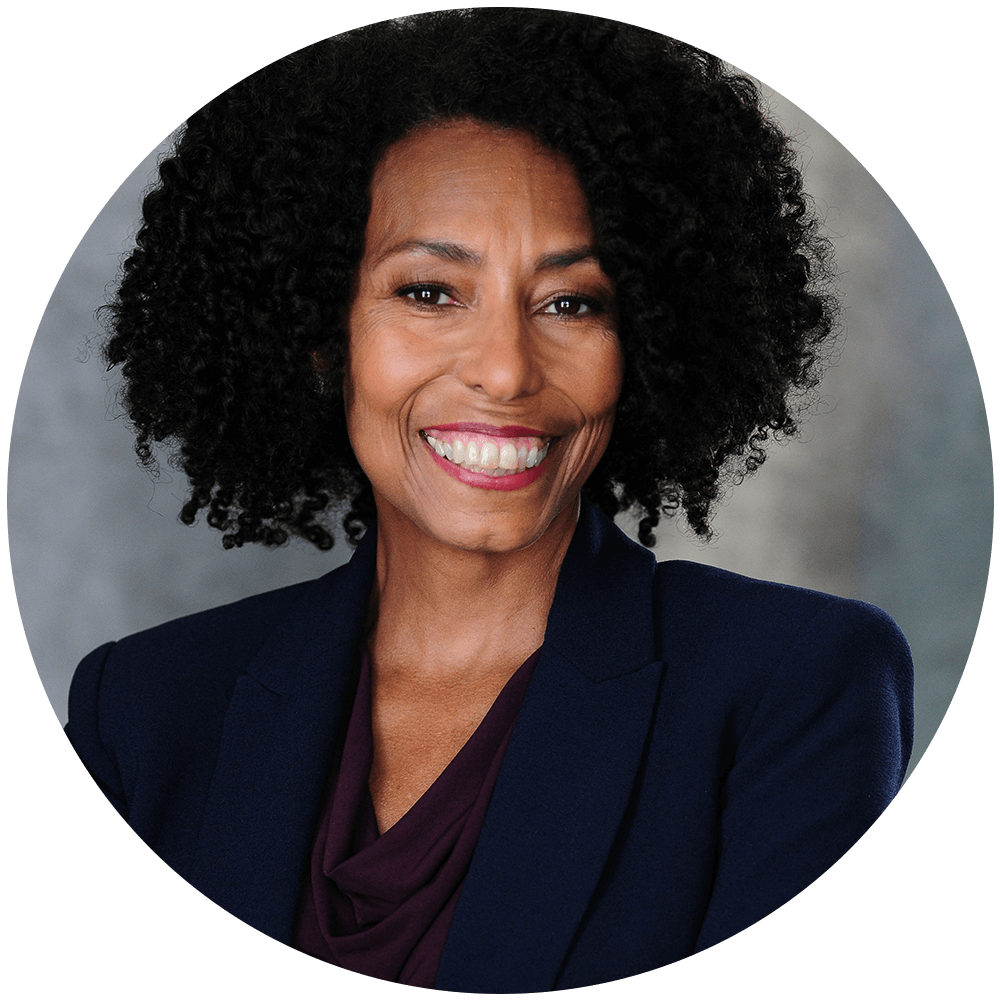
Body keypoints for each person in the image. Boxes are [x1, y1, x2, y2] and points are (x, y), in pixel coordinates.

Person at [65, 10, 913, 990]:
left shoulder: (790, 683)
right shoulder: (148, 706)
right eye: (430, 292)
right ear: (318, 334)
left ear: (645, 344)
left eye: (571, 302)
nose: (506, 372)